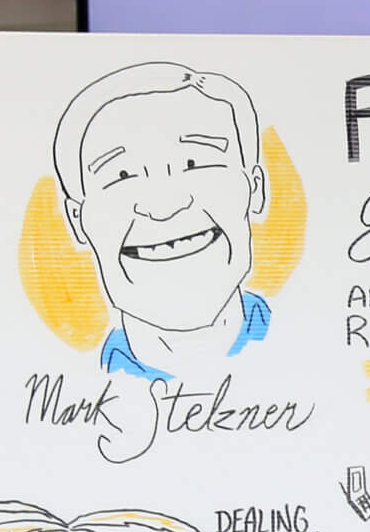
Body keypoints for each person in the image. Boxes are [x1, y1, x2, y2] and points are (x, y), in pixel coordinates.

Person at [52, 61, 273, 380]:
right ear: (78, 221)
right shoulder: (62, 392)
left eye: (194, 163)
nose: (163, 206)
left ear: (254, 188)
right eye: (122, 175)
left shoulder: (324, 349)